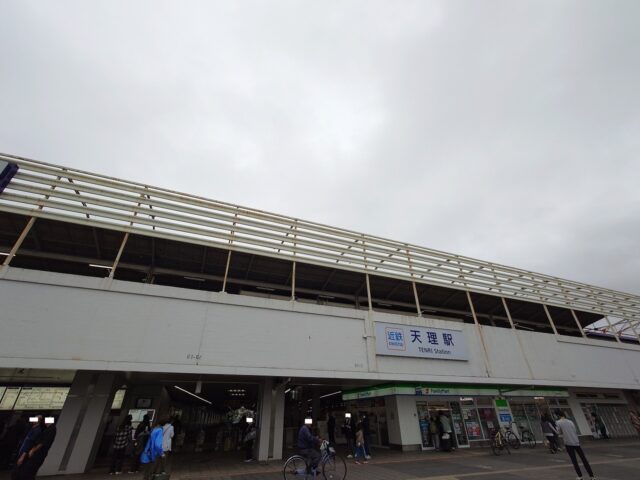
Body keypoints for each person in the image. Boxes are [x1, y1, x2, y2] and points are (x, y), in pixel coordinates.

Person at [11, 416, 56, 480]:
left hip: (37, 454)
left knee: (27, 472)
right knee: (25, 472)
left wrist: (33, 450)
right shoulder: (42, 429)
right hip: (30, 452)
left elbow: (42, 442)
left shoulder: (50, 429)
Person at [555, 410, 595, 480]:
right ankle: (592, 476)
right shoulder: (570, 422)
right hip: (576, 442)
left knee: (574, 461)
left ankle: (580, 476)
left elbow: (557, 432)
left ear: (557, 415)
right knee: (584, 459)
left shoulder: (558, 422)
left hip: (568, 443)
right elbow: (575, 430)